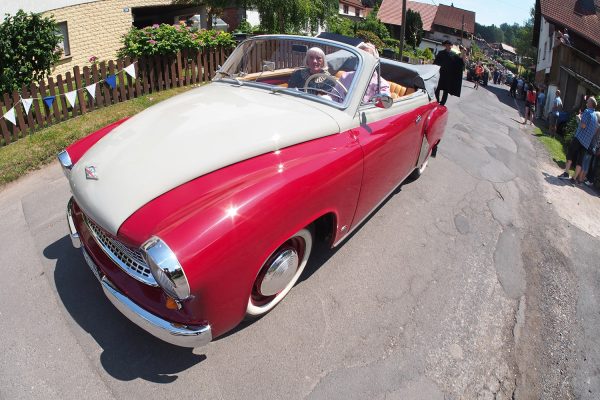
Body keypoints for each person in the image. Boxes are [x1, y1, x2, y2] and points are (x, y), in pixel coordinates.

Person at [558, 97, 598, 183]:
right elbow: (593, 131)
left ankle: (566, 174)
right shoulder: (595, 117)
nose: (586, 102)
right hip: (586, 143)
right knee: (580, 160)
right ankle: (574, 179)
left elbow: (583, 126)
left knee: (570, 154)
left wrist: (579, 118)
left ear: (591, 103)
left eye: (588, 101)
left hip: (579, 138)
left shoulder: (587, 112)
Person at [433, 40, 467, 106]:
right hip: (440, 74)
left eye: (450, 45)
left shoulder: (454, 55)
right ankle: (437, 101)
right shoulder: (441, 53)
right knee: (437, 88)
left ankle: (442, 103)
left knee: (446, 90)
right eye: (447, 45)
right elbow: (435, 63)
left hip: (448, 76)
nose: (449, 46)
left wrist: (464, 52)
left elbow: (461, 62)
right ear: (445, 45)